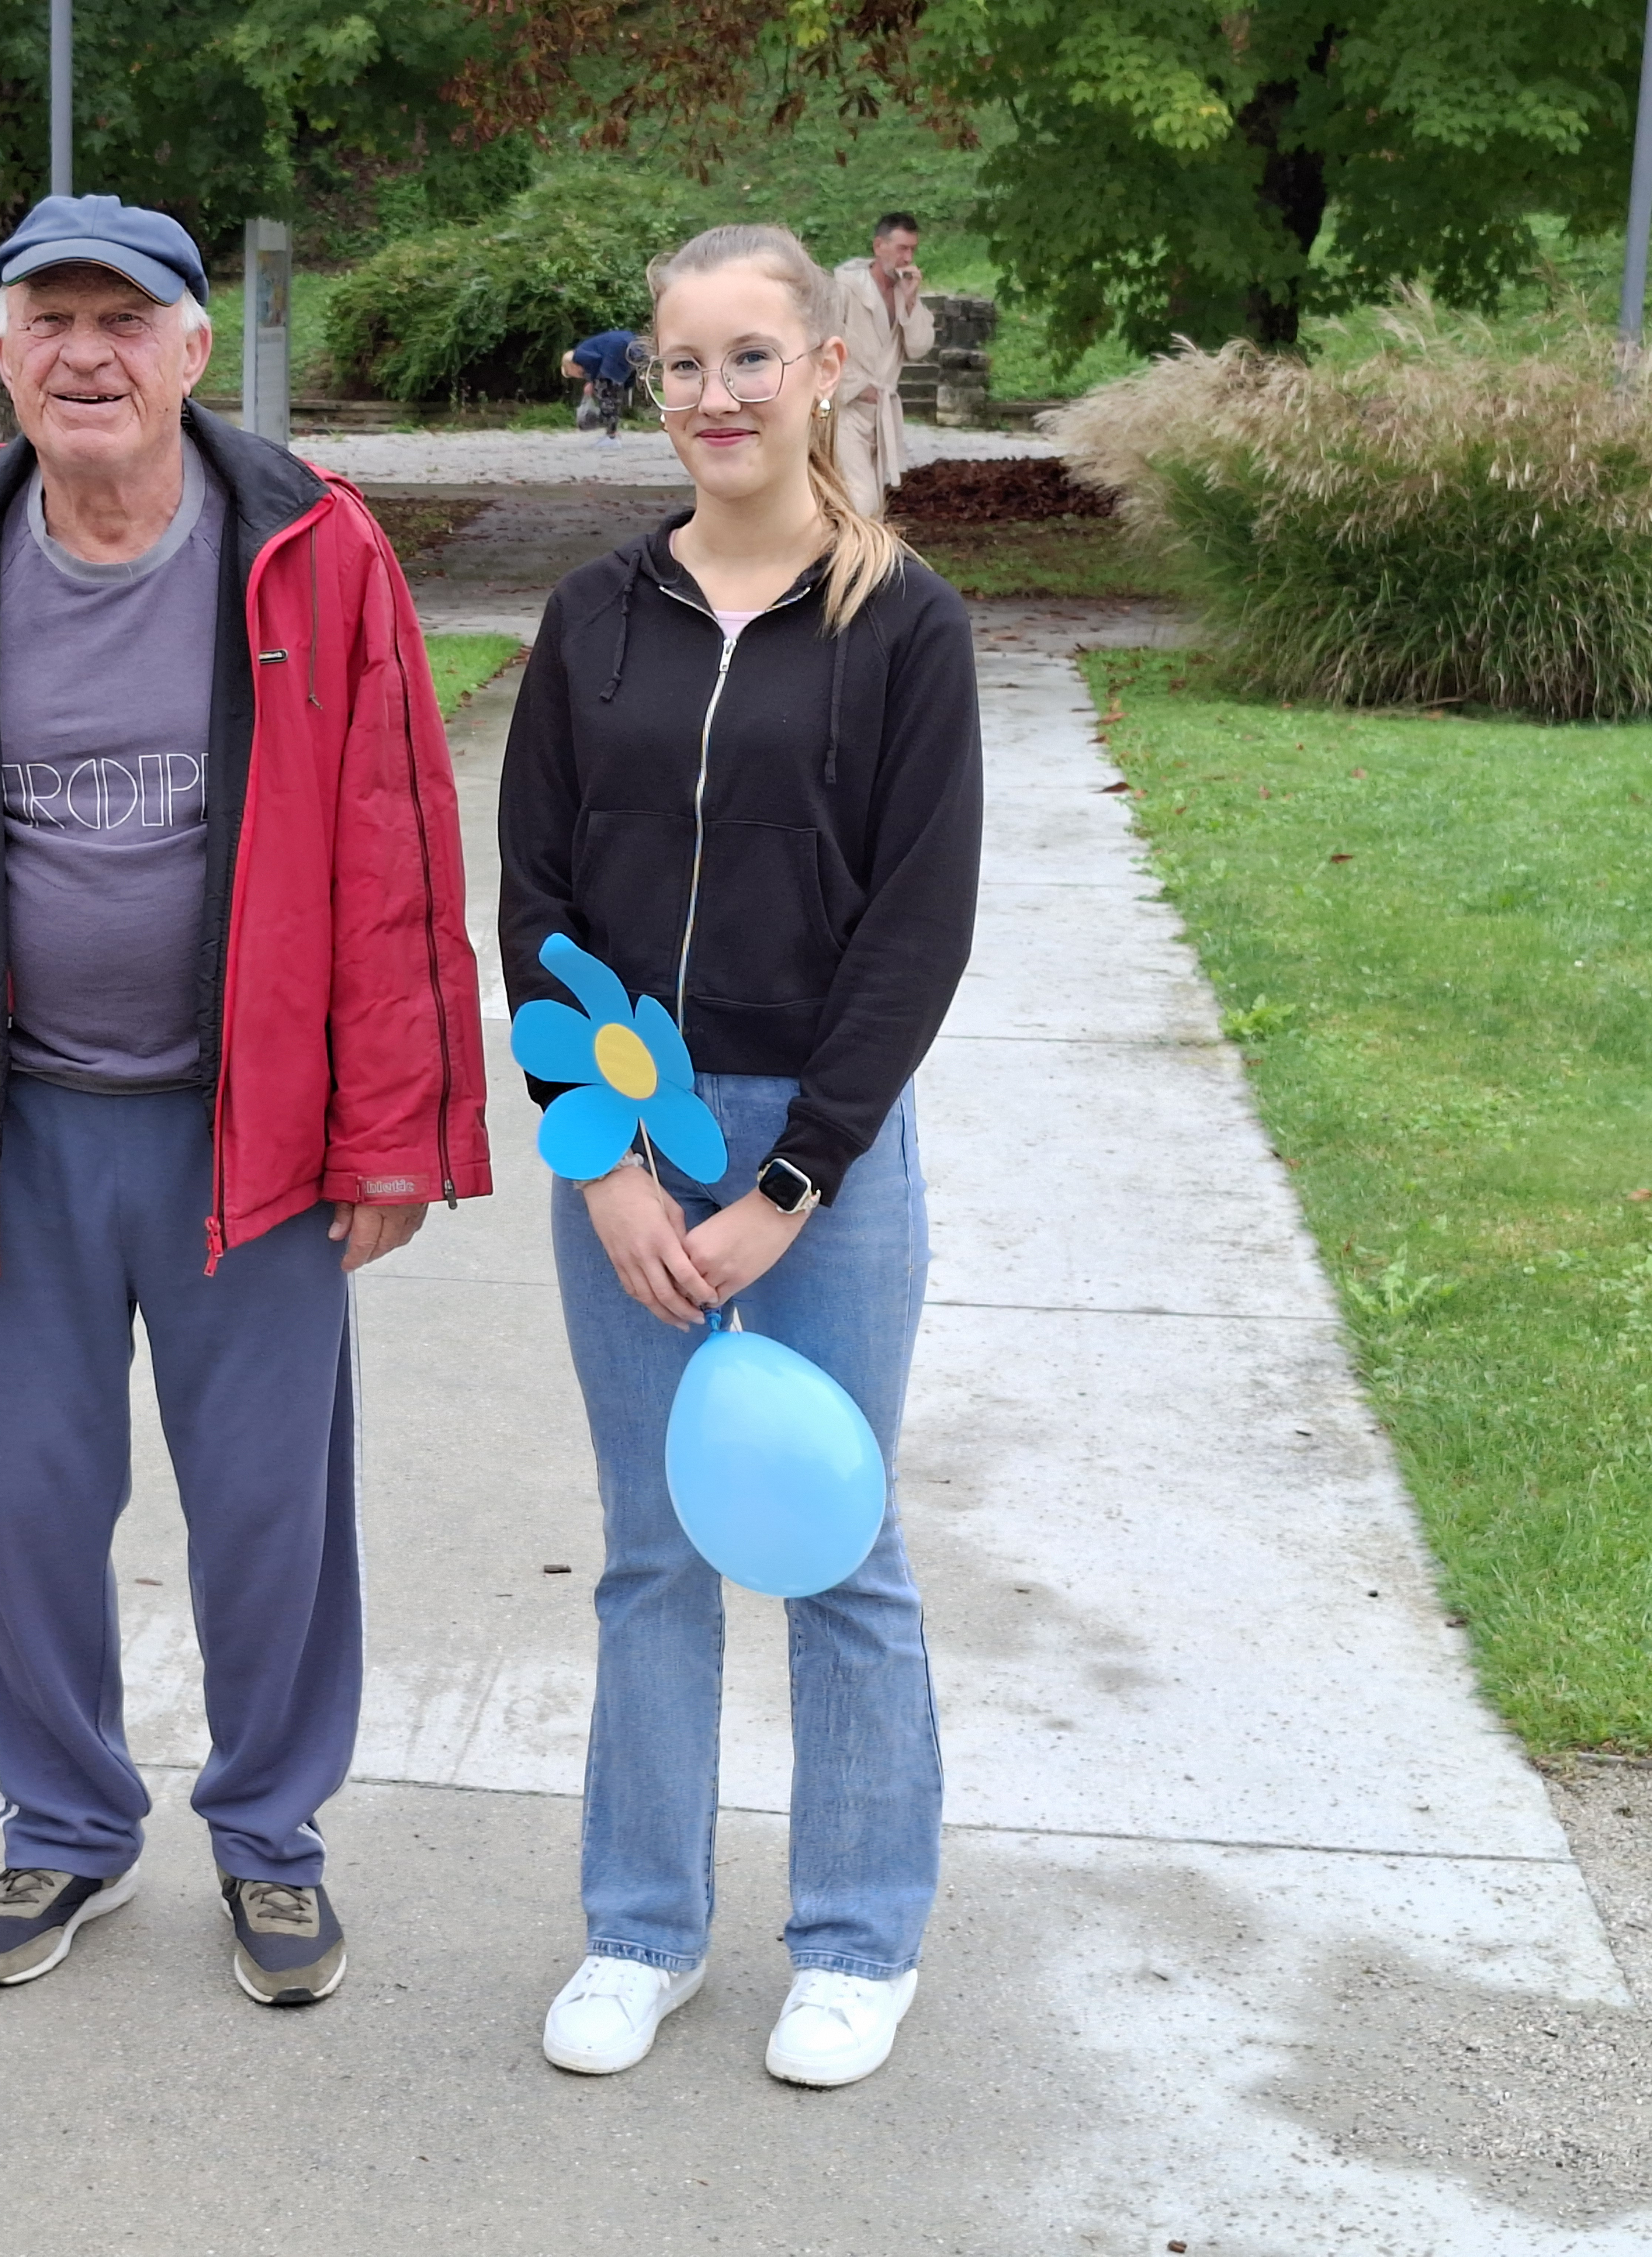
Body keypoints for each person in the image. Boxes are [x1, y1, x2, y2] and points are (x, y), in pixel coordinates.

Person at [0, 193, 491, 2008]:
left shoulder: (315, 555)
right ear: (3, 348)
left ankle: (270, 1841)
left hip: (242, 1136)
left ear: (191, 348)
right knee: (22, 1502)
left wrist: (393, 1129)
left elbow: (401, 840)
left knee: (268, 1508)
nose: (87, 355)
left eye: (127, 321)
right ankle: (65, 1827)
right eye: (51, 319)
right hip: (16, 1132)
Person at [499, 222, 980, 2088]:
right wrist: (599, 1157)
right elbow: (534, 894)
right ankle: (641, 1930)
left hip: (816, 1155)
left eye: (749, 359)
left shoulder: (900, 625)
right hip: (623, 1132)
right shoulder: (595, 618)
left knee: (838, 1551)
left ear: (826, 370)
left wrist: (792, 1191)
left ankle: (859, 1940)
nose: (712, 396)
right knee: (651, 1554)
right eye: (682, 364)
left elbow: (915, 936)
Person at [828, 213, 935, 518]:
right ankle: (851, 561)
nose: (908, 258)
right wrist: (859, 388)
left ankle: (853, 563)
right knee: (862, 501)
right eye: (902, 248)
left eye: (913, 250)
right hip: (842, 410)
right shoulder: (844, 288)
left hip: (881, 414)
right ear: (879, 246)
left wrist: (912, 302)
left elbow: (918, 348)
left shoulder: (905, 292)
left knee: (872, 505)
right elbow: (820, 346)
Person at [560, 326, 644, 442]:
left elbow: (597, 360)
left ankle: (611, 434)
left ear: (570, 366)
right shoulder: (587, 347)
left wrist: (592, 382)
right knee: (616, 390)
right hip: (632, 341)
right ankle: (612, 431)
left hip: (616, 350)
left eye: (570, 374)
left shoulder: (578, 356)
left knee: (605, 394)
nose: (575, 376)